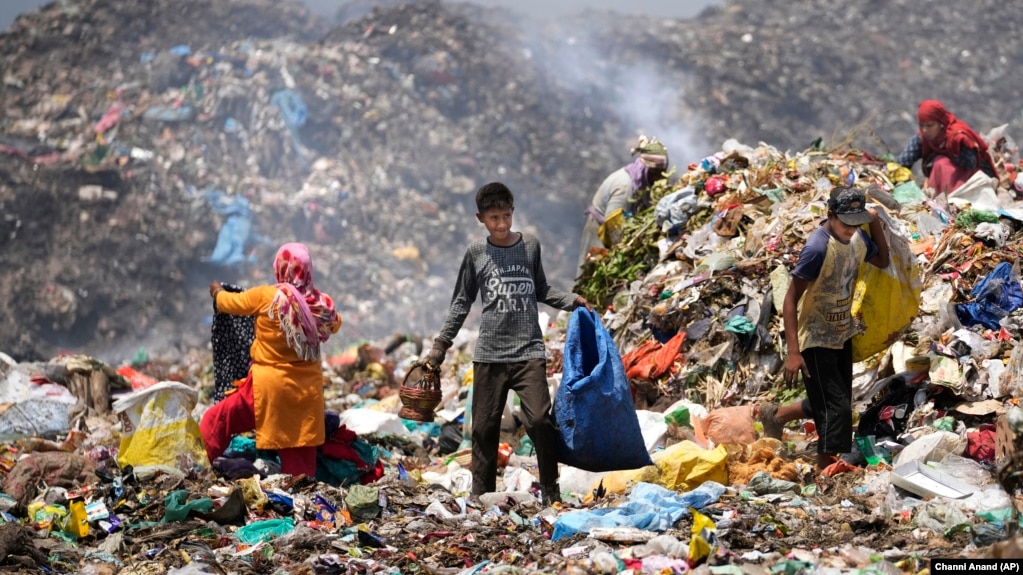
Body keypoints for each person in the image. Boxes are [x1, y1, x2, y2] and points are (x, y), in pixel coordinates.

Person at [419, 182, 590, 504]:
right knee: (483, 428)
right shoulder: (476, 253)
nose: (501, 224)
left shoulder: (530, 246)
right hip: (490, 354)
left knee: (539, 419)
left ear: (513, 212)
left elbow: (541, 289)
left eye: (507, 216)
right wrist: (440, 345)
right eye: (494, 218)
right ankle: (481, 495)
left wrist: (571, 301)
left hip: (528, 350)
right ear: (480, 218)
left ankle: (550, 489)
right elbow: (461, 302)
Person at [759, 186, 890, 472]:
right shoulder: (817, 248)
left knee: (836, 397)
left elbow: (883, 260)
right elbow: (791, 298)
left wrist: (875, 223)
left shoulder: (857, 238)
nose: (851, 229)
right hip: (816, 337)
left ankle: (777, 416)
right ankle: (824, 476)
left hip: (841, 332)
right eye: (846, 223)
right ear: (830, 215)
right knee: (837, 409)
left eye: (857, 222)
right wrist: (793, 352)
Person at [200, 242, 341, 477]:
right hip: (305, 394)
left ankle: (195, 466)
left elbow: (229, 304)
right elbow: (336, 323)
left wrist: (217, 291)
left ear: (281, 268)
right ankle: (300, 503)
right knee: (299, 466)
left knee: (218, 419)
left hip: (266, 390)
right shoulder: (322, 304)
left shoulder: (267, 297)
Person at [577, 136, 669, 273]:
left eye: (661, 173)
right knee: (592, 271)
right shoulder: (625, 186)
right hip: (600, 231)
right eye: (654, 173)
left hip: (612, 228)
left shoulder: (640, 183)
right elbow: (613, 226)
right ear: (644, 168)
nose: (658, 178)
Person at [897, 99, 996, 196]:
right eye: (921, 125)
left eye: (930, 125)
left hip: (970, 185)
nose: (924, 130)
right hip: (941, 186)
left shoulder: (957, 137)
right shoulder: (923, 139)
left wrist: (947, 151)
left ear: (941, 124)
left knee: (941, 163)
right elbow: (903, 162)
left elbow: (971, 163)